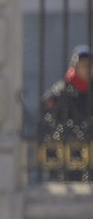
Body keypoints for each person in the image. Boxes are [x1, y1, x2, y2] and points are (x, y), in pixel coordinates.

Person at [41, 44, 92, 181]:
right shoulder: (62, 89)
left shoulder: (89, 91)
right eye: (83, 65)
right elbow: (48, 113)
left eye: (89, 66)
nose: (86, 69)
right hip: (66, 151)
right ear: (75, 66)